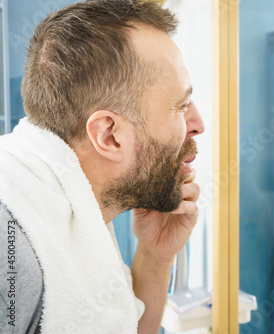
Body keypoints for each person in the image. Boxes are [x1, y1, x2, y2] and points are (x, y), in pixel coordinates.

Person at [0, 0, 205, 333]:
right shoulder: (12, 248)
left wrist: (156, 254)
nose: (198, 124)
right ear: (109, 136)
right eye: (181, 107)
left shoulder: (72, 205)